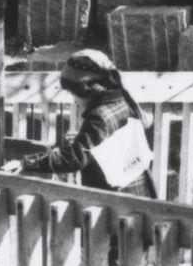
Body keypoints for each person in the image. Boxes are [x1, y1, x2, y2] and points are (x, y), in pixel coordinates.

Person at [10, 49, 155, 196]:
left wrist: (28, 162)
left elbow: (75, 158)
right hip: (138, 190)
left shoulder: (99, 116)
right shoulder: (123, 101)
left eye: (73, 93)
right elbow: (112, 141)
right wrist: (83, 139)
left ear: (87, 90)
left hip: (114, 198)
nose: (73, 100)